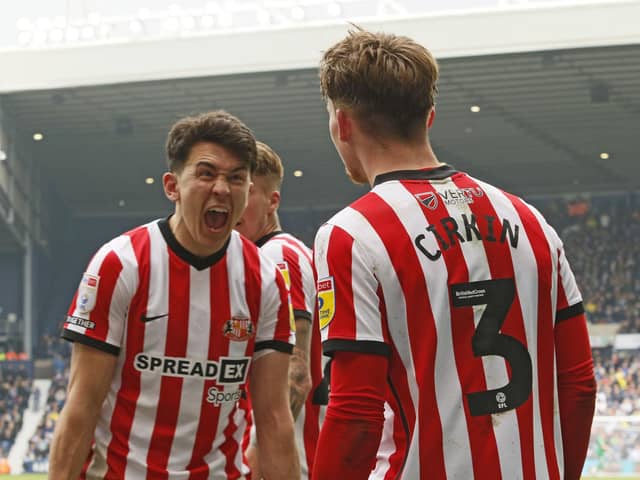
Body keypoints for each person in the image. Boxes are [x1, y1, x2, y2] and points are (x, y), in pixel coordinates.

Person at [312, 27, 596, 480]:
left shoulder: (352, 234)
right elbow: (579, 383)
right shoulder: (531, 221)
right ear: (429, 116)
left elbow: (357, 413)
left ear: (342, 123)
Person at [49, 111, 300, 480]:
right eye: (206, 173)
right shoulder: (121, 264)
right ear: (172, 186)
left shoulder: (266, 280)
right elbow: (81, 406)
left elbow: (275, 419)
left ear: (248, 191)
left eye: (236, 178)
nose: (221, 188)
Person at [235, 141, 325, 479]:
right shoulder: (253, 259)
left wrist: (256, 459)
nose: (233, 201)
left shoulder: (278, 257)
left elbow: (296, 377)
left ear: (273, 201)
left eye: (247, 191)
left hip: (288, 464)